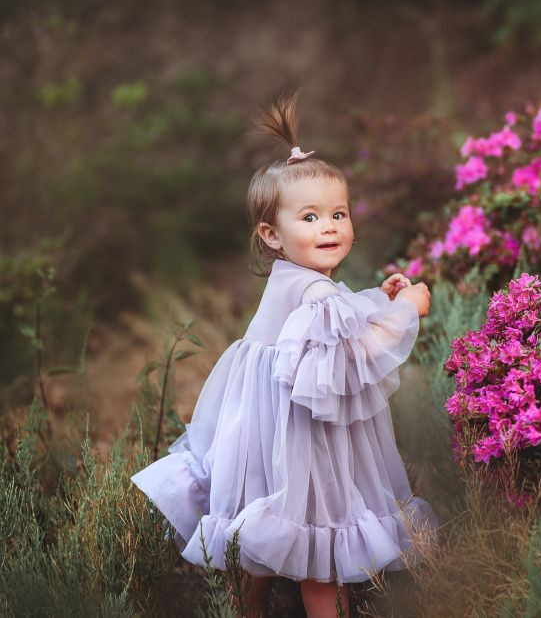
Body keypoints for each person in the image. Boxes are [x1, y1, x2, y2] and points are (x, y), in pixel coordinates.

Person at [131, 92, 436, 617]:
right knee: (319, 540)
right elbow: (358, 350)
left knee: (261, 529)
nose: (329, 226)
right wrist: (407, 308)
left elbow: (333, 320)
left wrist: (376, 300)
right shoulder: (314, 291)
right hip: (302, 436)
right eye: (311, 217)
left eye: (338, 213)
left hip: (263, 427)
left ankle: (247, 610)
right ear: (271, 235)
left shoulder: (300, 281)